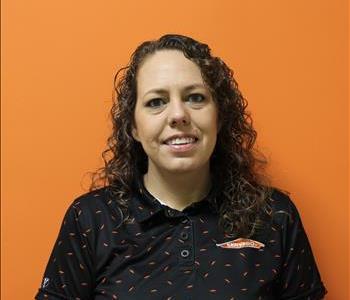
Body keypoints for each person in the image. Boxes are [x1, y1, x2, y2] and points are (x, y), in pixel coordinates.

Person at [35, 34, 327, 300]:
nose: (178, 114)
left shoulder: (275, 216)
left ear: (219, 117)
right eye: (156, 102)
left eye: (195, 97)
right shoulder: (90, 219)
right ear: (133, 127)